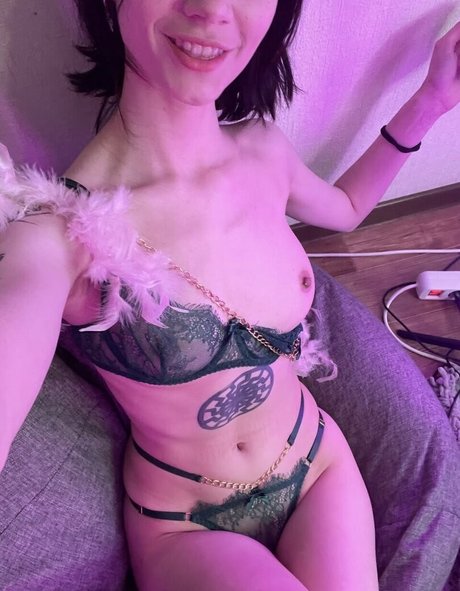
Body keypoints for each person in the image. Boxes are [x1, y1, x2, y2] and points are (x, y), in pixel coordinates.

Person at [0, 1, 459, 589]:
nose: (211, 8)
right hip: (187, 526)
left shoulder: (264, 150)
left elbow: (346, 209)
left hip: (318, 468)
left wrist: (432, 100)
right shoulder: (62, 233)